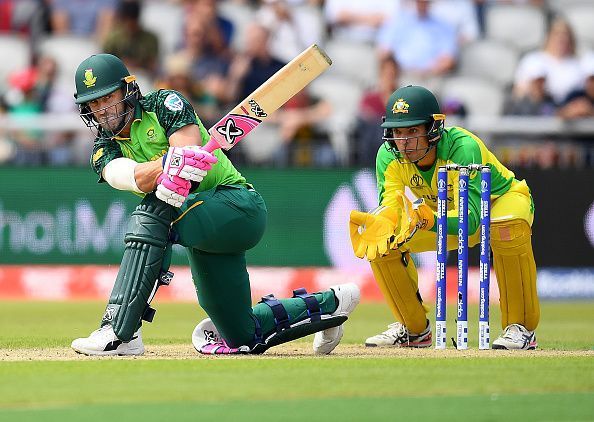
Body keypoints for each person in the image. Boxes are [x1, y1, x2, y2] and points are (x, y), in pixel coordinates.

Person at [69, 53, 359, 356]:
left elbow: (188, 154)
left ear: (128, 90)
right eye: (94, 103)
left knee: (151, 215)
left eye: (108, 98)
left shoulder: (165, 104)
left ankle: (120, 331)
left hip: (236, 204)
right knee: (242, 335)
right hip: (200, 227)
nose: (103, 110)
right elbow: (128, 176)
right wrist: (166, 164)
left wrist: (173, 163)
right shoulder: (104, 147)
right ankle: (332, 303)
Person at [349, 85, 540, 350]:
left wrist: (430, 220)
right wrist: (381, 224)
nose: (404, 142)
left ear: (433, 128)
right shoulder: (388, 157)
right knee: (384, 243)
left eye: (413, 131)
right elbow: (391, 207)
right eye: (398, 132)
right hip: (440, 214)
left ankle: (521, 328)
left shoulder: (463, 148)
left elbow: (473, 220)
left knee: (504, 227)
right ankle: (414, 330)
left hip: (499, 201)